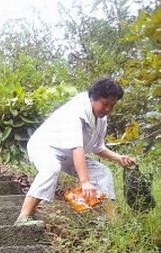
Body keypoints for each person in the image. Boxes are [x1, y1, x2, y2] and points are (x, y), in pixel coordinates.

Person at [15, 77, 135, 226]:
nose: (108, 109)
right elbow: (77, 148)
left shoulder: (100, 118)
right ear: (93, 98)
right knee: (51, 168)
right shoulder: (75, 111)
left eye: (112, 105)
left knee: (103, 173)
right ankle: (23, 217)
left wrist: (118, 158)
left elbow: (97, 147)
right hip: (45, 147)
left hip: (68, 154)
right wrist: (85, 182)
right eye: (105, 104)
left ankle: (113, 220)